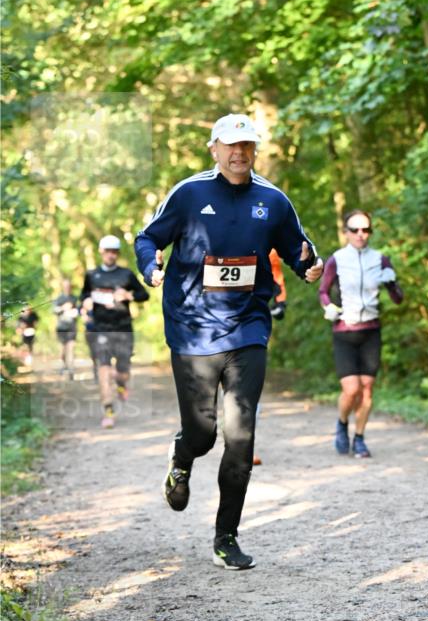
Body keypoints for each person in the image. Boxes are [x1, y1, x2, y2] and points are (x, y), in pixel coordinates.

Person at [134, 112, 323, 571]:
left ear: (254, 150)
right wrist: (150, 265)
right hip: (193, 327)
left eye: (247, 146)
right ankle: (183, 457)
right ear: (213, 148)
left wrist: (308, 267)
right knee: (203, 433)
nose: (239, 153)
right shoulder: (189, 193)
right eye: (231, 145)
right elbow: (148, 237)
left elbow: (296, 246)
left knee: (241, 435)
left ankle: (226, 537)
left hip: (248, 327)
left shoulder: (273, 200)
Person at [319, 209, 403, 459]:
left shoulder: (380, 259)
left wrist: (391, 283)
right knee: (351, 389)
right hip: (344, 330)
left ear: (370, 233)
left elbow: (398, 299)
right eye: (355, 230)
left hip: (371, 331)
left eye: (365, 230)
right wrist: (329, 307)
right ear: (346, 233)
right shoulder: (337, 259)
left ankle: (360, 439)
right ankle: (342, 423)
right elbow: (323, 291)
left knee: (367, 389)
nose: (360, 234)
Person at [80, 235, 149, 429]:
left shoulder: (126, 274)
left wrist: (129, 295)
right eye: (107, 251)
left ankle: (121, 384)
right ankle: (108, 411)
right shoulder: (91, 275)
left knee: (122, 373)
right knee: (103, 370)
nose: (111, 254)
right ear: (101, 252)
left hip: (124, 329)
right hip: (100, 329)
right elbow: (84, 295)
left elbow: (144, 294)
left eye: (114, 251)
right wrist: (85, 302)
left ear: (117, 253)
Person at [253, 248, 287, 466]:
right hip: (213, 320)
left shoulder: (264, 225)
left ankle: (245, 446)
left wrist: (280, 301)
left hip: (253, 320)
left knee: (248, 389)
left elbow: (276, 272)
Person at [53, 278, 79, 379]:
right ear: (63, 287)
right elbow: (54, 310)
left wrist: (75, 312)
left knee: (71, 348)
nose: (67, 288)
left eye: (69, 286)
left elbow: (79, 310)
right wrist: (64, 307)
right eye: (65, 286)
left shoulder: (74, 298)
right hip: (61, 327)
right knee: (63, 349)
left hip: (72, 327)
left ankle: (71, 369)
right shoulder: (59, 298)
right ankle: (64, 366)